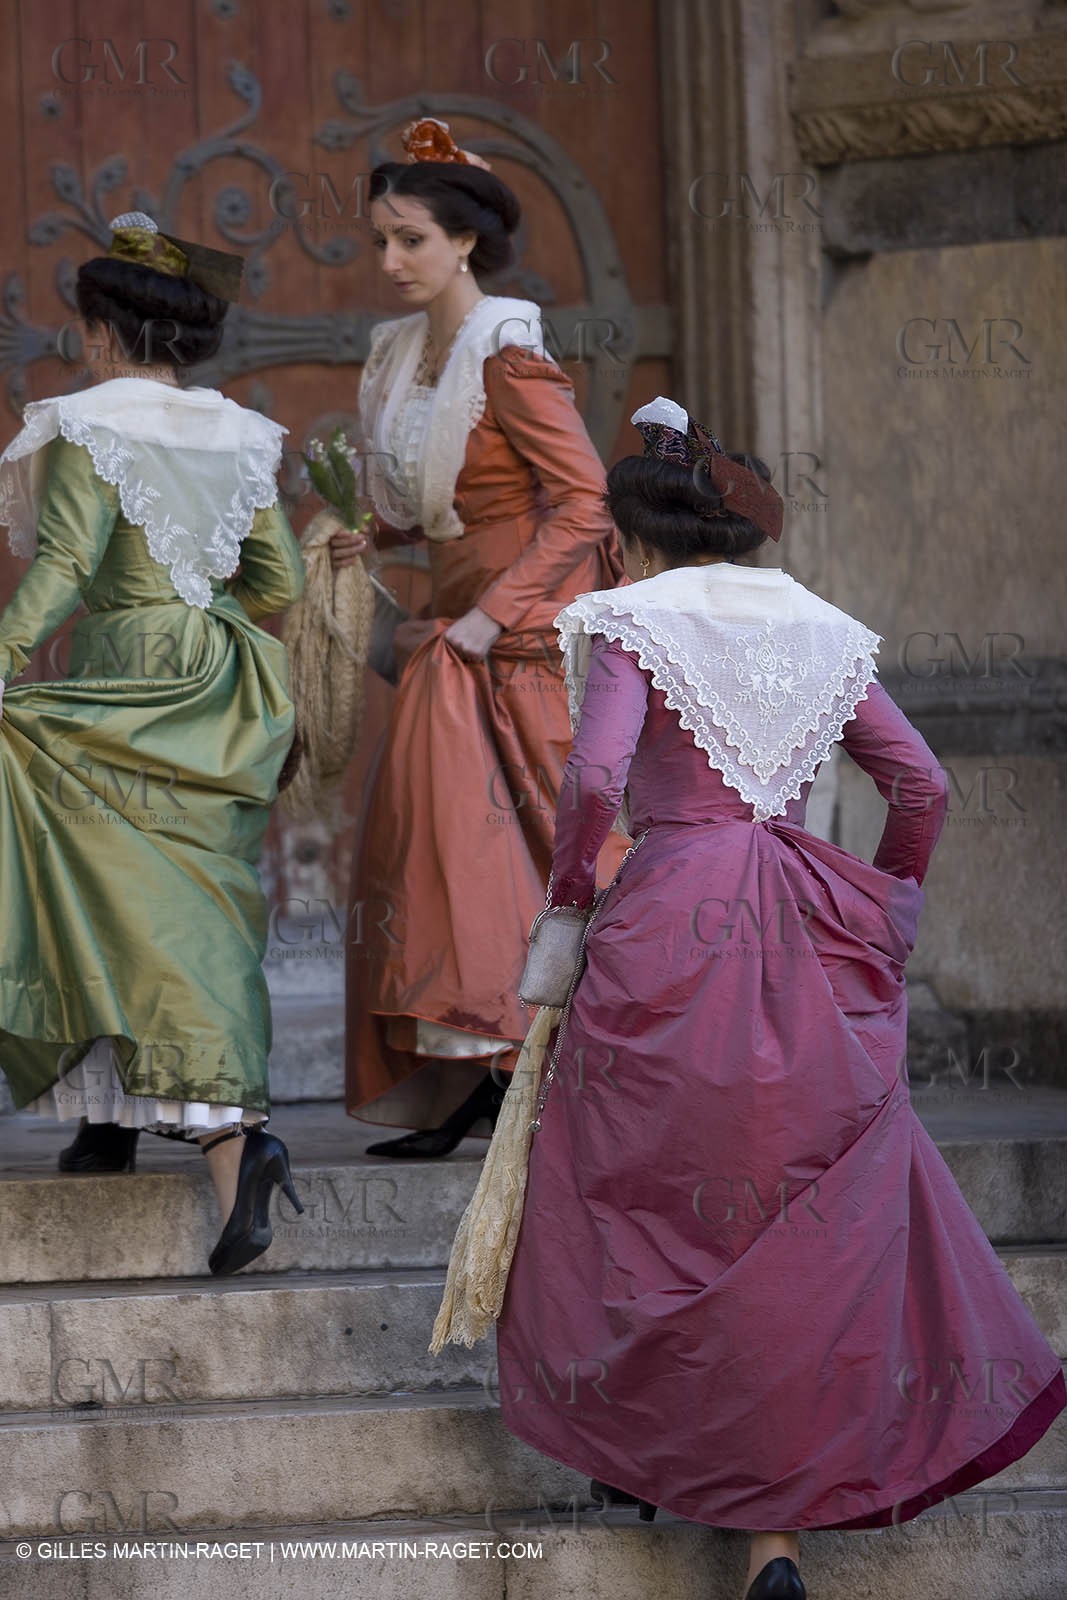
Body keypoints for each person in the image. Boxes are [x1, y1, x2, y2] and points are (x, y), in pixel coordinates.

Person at [494, 398, 1066, 1599]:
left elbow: (596, 779)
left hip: (668, 917)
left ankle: (639, 1442)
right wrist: (884, 907)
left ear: (630, 538)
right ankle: (773, 1544)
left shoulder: (625, 618)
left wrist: (564, 902)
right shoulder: (819, 627)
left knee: (635, 1187)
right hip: (805, 925)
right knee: (797, 1218)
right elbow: (921, 786)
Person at [0, 212, 306, 1275]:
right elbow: (281, 586)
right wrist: (207, 609)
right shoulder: (242, 433)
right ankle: (168, 1123)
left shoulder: (86, 424)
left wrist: (2, 654)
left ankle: (181, 1121)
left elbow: (67, 565)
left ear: (98, 333)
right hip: (220, 683)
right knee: (190, 900)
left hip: (125, 673)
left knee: (104, 887)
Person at [332, 118, 624, 1156]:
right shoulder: (404, 353)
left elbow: (583, 501)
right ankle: (481, 1069)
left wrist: (492, 614)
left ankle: (583, 1067)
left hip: (520, 631)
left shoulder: (509, 348)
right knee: (446, 853)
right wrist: (369, 530)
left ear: (463, 243)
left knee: (545, 847)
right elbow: (441, 498)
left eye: (408, 238)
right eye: (379, 239)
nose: (388, 261)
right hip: (450, 628)